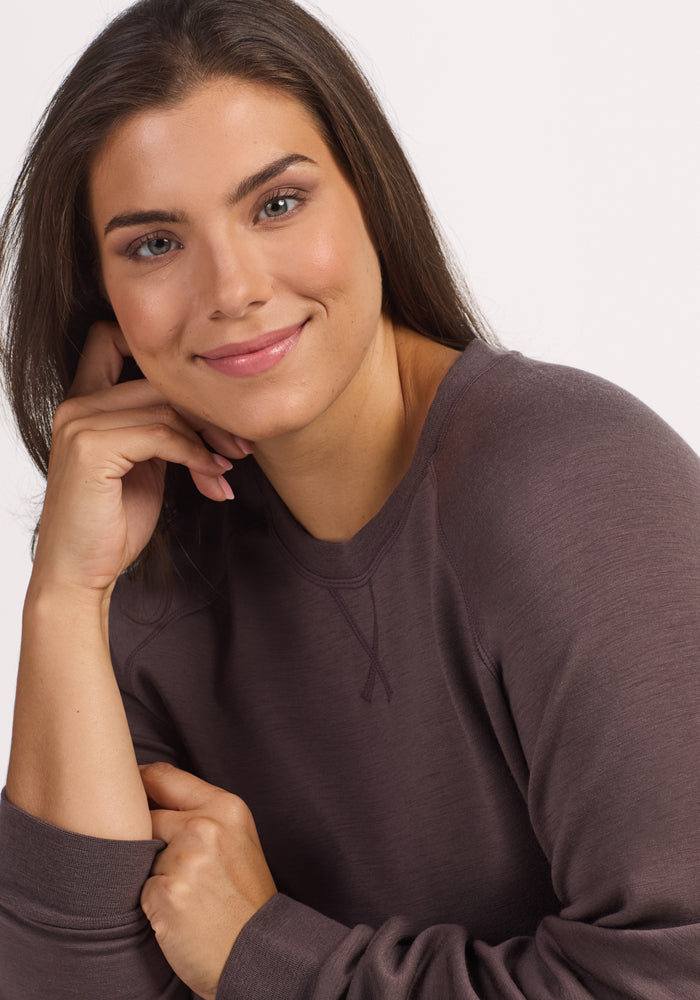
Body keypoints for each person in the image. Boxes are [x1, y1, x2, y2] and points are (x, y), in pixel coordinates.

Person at [0, 0, 698, 996]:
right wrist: (66, 595)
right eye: (154, 244)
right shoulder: (158, 563)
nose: (232, 286)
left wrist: (263, 953)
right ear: (102, 305)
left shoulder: (571, 482)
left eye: (276, 204)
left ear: (369, 197)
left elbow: (667, 978)